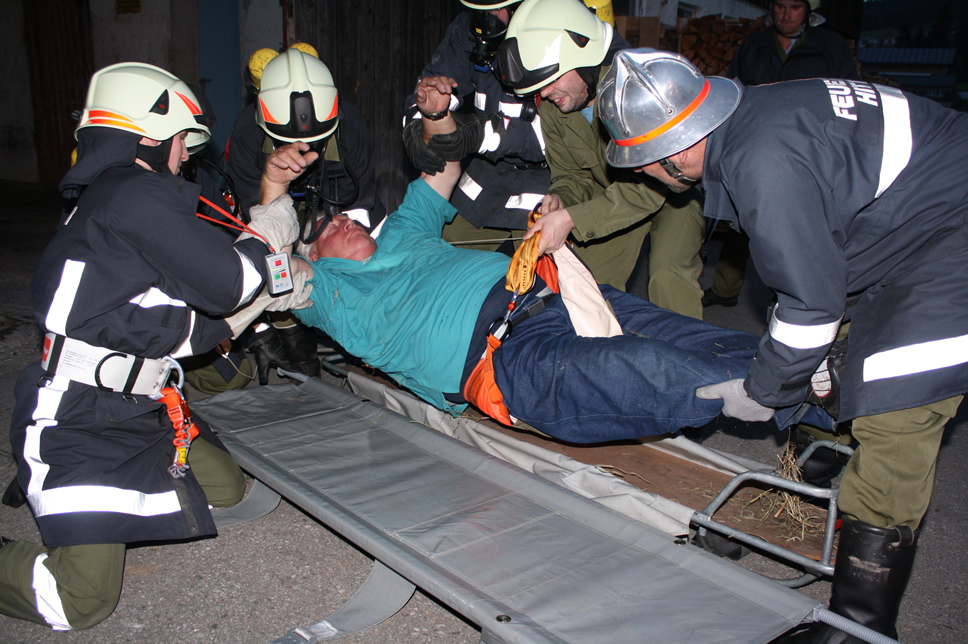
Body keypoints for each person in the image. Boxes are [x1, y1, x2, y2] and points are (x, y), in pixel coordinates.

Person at [597, 47, 968, 640]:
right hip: (918, 216)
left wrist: (763, 390)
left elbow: (810, 306)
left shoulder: (761, 161)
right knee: (834, 361)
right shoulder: (757, 116)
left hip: (951, 235)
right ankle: (807, 492)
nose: (642, 175)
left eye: (642, 164)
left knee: (895, 411)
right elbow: (816, 261)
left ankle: (859, 627)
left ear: (676, 150)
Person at [272, 75, 766, 445]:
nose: (342, 220)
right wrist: (273, 186)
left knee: (684, 334)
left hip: (546, 290)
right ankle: (761, 392)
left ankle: (795, 371)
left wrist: (438, 115)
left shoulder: (402, 229)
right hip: (503, 358)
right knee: (643, 367)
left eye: (343, 216)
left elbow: (444, 167)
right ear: (315, 258)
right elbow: (269, 269)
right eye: (326, 228)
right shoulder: (331, 295)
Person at [0, 62, 304, 630]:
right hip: (80, 416)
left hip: (138, 403)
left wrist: (271, 194)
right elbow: (230, 283)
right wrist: (273, 227)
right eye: (182, 139)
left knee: (226, 488)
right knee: (78, 601)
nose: (185, 154)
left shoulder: (112, 198)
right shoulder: (133, 193)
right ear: (149, 133)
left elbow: (186, 323)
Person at [492, 0, 705, 316]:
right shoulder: (553, 106)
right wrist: (560, 200)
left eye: (550, 80)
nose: (545, 93)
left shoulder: (633, 91)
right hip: (609, 200)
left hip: (673, 192)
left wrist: (571, 219)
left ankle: (689, 347)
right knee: (586, 286)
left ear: (584, 58)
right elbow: (571, 175)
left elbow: (646, 190)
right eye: (538, 85)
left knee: (668, 276)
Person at [227, 46, 386, 383]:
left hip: (336, 204)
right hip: (274, 200)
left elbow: (362, 200)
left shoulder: (348, 123)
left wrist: (340, 257)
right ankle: (298, 351)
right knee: (275, 269)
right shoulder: (246, 133)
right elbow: (260, 222)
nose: (305, 148)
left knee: (359, 256)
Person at [703, 0, 860, 309]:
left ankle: (793, 298)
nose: (786, 15)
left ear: (808, 11)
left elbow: (845, 93)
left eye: (795, 7)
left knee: (798, 225)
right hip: (756, 141)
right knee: (742, 216)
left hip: (809, 146)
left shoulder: (828, 45)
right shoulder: (756, 45)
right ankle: (725, 287)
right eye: (780, 6)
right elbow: (735, 90)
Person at [403, 0, 550, 251]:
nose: (485, 18)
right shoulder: (467, 28)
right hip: (490, 173)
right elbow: (435, 83)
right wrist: (420, 123)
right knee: (440, 252)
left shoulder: (553, 29)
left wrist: (481, 135)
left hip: (552, 179)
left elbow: (565, 136)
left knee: (535, 266)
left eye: (495, 8)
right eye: (479, 9)